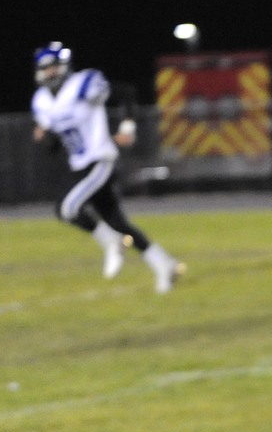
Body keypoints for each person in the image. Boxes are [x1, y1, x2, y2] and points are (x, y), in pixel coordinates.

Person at [31, 43, 180, 292]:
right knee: (119, 223)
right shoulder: (41, 101)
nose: (50, 73)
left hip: (100, 159)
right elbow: (55, 146)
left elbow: (126, 93)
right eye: (45, 69)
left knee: (66, 208)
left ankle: (111, 242)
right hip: (79, 164)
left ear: (65, 66)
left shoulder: (84, 83)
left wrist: (127, 128)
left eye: (54, 67)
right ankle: (164, 264)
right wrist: (44, 138)